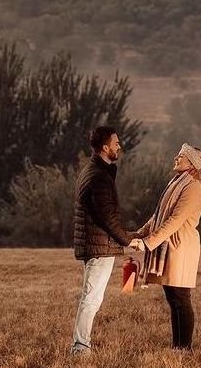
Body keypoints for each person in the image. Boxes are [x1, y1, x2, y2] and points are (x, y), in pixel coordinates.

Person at [131, 143, 201, 351]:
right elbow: (158, 216)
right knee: (173, 299)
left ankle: (184, 348)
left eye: (180, 157)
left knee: (181, 299)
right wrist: (139, 233)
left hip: (180, 248)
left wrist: (148, 243)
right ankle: (177, 347)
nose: (176, 159)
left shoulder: (193, 187)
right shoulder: (176, 183)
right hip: (170, 248)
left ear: (191, 164)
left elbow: (175, 221)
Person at [70, 125, 133, 355]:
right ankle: (80, 347)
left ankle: (81, 345)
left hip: (98, 244)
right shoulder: (98, 177)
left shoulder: (96, 171)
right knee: (91, 298)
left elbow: (106, 215)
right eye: (116, 143)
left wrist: (127, 237)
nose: (119, 147)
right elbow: (107, 217)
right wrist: (127, 240)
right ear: (106, 147)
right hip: (99, 247)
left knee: (93, 297)